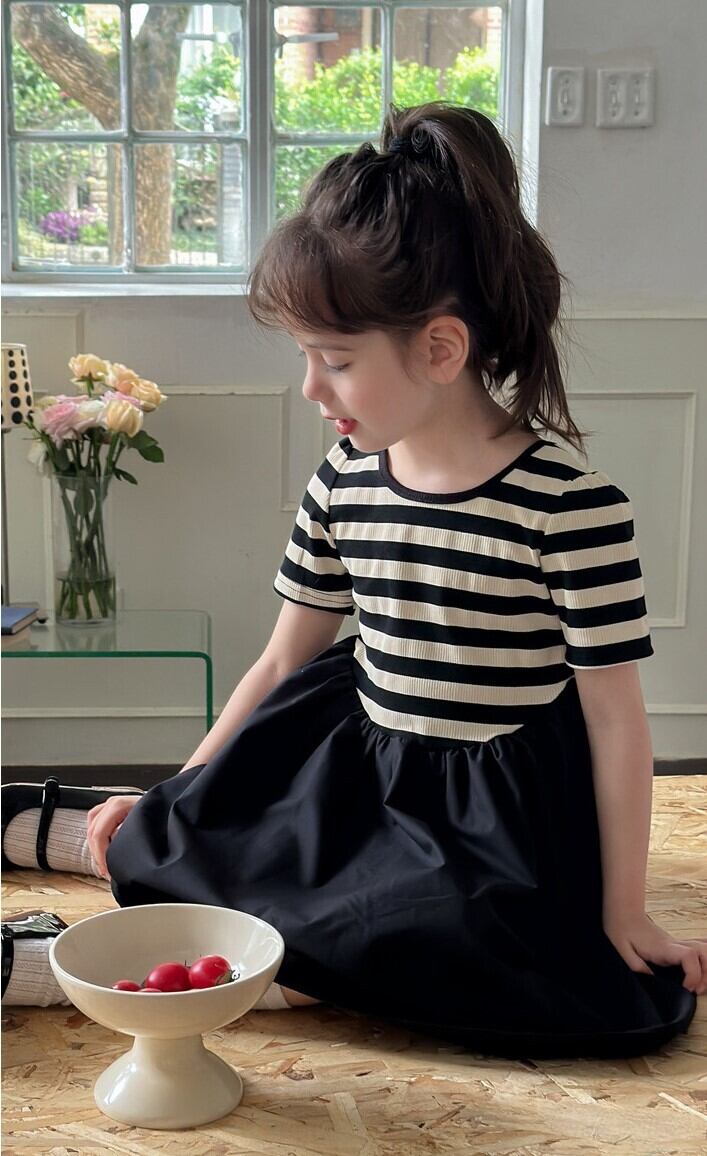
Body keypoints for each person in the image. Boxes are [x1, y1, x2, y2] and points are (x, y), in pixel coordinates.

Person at [2, 102, 704, 1054]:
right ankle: (58, 830)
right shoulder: (343, 476)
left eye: (333, 361)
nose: (309, 388)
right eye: (305, 358)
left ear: (441, 348)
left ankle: (64, 968)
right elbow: (281, 659)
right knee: (185, 842)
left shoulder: (568, 507)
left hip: (488, 815)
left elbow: (615, 720)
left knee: (427, 951)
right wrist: (180, 795)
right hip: (354, 762)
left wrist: (624, 912)